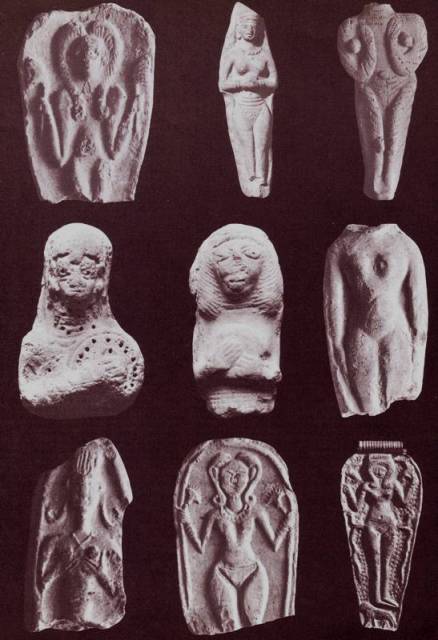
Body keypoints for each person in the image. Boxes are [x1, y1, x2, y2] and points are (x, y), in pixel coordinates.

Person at [178, 452, 292, 632]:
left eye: (240, 474)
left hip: (253, 571)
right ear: (217, 477)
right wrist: (186, 521)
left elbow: (275, 544)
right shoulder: (215, 514)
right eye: (228, 475)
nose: (234, 479)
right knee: (228, 626)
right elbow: (200, 547)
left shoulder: (257, 511)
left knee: (256, 622)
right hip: (222, 573)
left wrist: (287, 520)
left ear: (251, 476)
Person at [219, 8, 278, 197]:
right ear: (239, 29)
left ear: (259, 30)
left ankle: (262, 179)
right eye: (246, 26)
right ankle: (250, 179)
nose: (250, 30)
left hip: (260, 105)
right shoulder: (233, 54)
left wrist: (260, 83)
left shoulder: (264, 54)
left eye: (253, 27)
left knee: (262, 145)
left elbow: (274, 82)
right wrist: (241, 83)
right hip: (242, 106)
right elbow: (222, 84)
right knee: (246, 146)